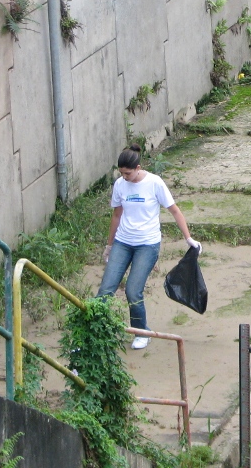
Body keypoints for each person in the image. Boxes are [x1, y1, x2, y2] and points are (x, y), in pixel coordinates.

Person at [98, 145, 201, 350]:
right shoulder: (120, 184)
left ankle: (141, 332)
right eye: (121, 173)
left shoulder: (154, 183)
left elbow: (175, 211)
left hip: (147, 245)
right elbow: (117, 215)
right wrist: (109, 245)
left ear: (138, 168)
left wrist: (188, 238)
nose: (124, 177)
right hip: (123, 242)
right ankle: (95, 331)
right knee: (105, 290)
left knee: (132, 290)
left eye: (128, 173)